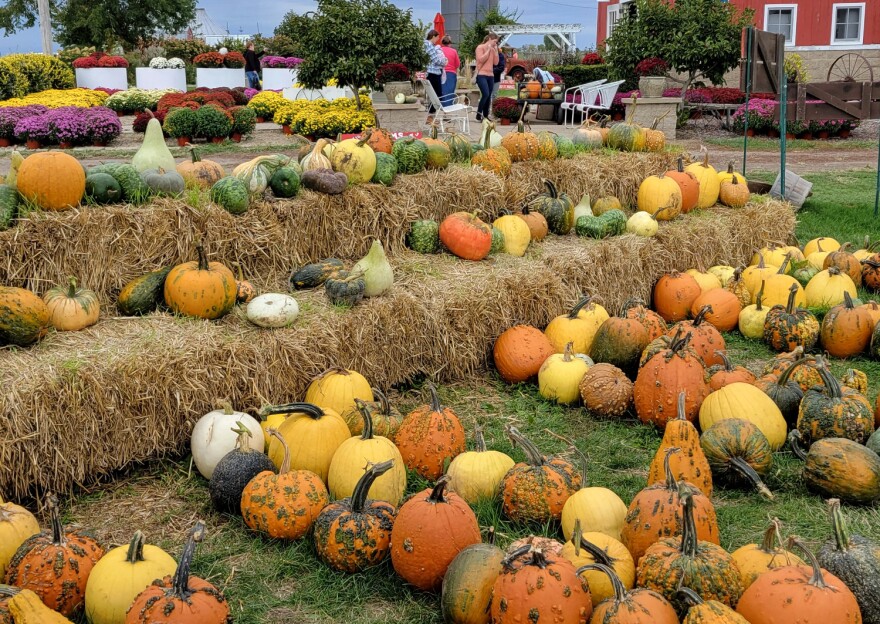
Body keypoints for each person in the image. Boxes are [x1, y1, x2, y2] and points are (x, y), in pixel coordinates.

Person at [423, 29, 448, 124]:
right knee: (437, 96)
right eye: (437, 37)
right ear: (433, 36)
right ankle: (431, 116)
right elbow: (435, 60)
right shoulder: (429, 45)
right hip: (433, 72)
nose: (437, 40)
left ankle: (431, 116)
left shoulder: (426, 45)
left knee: (434, 95)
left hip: (431, 72)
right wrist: (444, 62)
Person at [474, 33, 499, 123]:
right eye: (494, 41)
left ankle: (485, 115)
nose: (495, 44)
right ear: (489, 39)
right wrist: (488, 50)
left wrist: (495, 52)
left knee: (489, 96)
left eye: (496, 42)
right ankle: (478, 114)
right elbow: (481, 59)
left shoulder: (493, 49)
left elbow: (496, 63)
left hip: (490, 75)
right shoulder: (480, 47)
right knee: (485, 94)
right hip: (482, 74)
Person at [439, 35, 460, 107]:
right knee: (450, 93)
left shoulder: (439, 51)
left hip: (440, 73)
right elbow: (457, 64)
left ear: (442, 42)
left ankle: (442, 108)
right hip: (451, 74)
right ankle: (448, 109)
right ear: (450, 43)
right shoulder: (454, 51)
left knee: (442, 92)